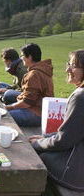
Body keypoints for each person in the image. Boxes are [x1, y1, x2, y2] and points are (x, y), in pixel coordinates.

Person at [29, 50, 84, 192]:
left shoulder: (80, 97)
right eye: (68, 64)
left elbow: (64, 140)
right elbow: (73, 131)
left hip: (74, 173)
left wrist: (38, 143)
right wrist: (45, 137)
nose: (67, 69)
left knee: (32, 155)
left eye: (73, 65)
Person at [5, 43, 54, 127]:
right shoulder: (40, 68)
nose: (21, 58)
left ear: (30, 57)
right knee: (8, 94)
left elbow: (28, 102)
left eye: (22, 55)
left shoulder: (34, 74)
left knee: (6, 116)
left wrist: (9, 107)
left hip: (37, 112)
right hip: (39, 104)